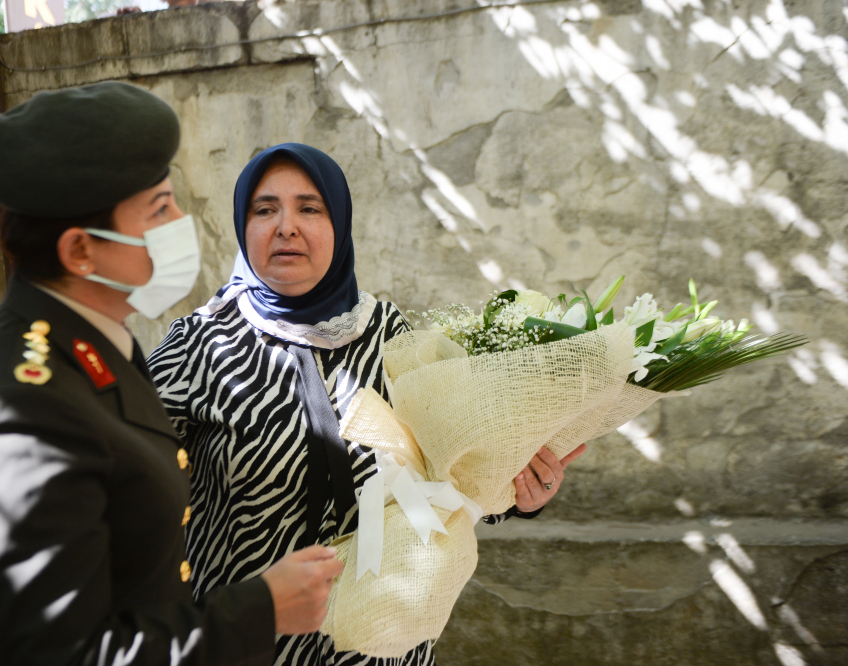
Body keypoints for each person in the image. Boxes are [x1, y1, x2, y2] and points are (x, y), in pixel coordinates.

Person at [0, 86, 342, 666]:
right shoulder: (16, 412)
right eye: (160, 209)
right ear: (81, 251)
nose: (181, 222)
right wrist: (262, 610)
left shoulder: (96, 343)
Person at [147, 143, 586, 666]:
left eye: (310, 208)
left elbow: (452, 475)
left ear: (340, 224)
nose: (286, 225)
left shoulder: (391, 336)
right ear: (244, 228)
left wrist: (518, 495)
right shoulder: (199, 347)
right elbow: (127, 499)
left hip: (382, 650)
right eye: (265, 209)